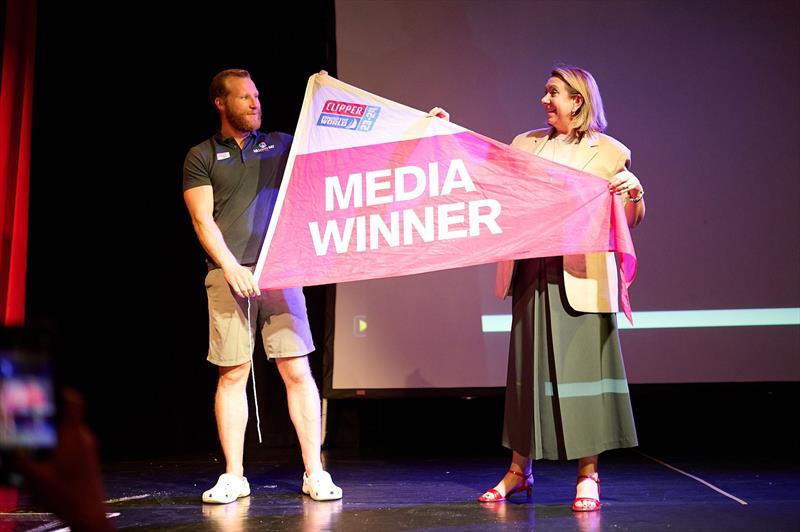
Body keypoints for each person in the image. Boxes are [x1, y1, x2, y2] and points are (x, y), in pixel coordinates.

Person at [480, 65, 645, 510]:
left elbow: (625, 223)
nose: (544, 100)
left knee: (582, 372)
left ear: (578, 100)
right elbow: (479, 177)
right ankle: (519, 470)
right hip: (531, 271)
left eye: (553, 93)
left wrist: (633, 192)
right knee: (527, 376)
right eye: (545, 92)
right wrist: (442, 134)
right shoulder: (523, 145)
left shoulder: (609, 153)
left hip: (581, 276)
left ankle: (588, 475)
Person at [183, 69, 341, 504]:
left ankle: (315, 472)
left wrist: (420, 130)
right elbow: (202, 219)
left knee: (296, 370)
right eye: (245, 98)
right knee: (232, 373)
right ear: (221, 102)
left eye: (257, 96)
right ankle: (234, 475)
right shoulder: (201, 155)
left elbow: (338, 146)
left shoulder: (281, 144)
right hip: (227, 273)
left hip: (280, 271)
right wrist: (231, 266)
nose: (255, 103)